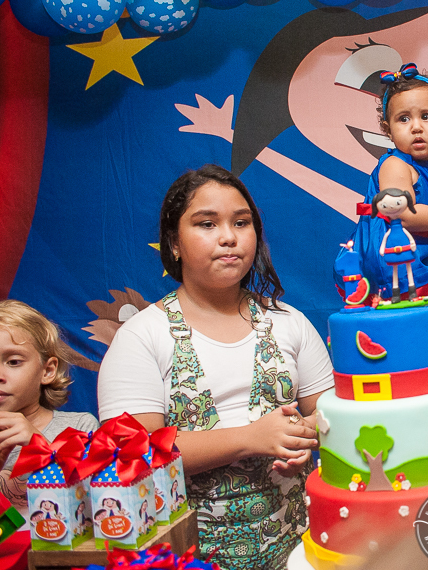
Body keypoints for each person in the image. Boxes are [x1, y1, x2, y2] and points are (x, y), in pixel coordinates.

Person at [97, 164, 334, 570]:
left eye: (241, 223)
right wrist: (252, 438)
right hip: (188, 556)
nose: (228, 237)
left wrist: (304, 434)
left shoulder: (289, 322)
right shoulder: (142, 337)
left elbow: (328, 411)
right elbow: (131, 454)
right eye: (207, 223)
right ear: (173, 242)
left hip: (300, 549)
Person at [334, 63, 428, 302]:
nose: (416, 127)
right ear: (388, 130)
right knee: (413, 307)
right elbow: (402, 215)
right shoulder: (395, 166)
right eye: (403, 119)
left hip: (426, 250)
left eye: (426, 117)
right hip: (393, 254)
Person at [0, 299, 100, 517]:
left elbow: (98, 509)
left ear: (47, 371)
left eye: (13, 362)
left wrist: (40, 447)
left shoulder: (79, 428)